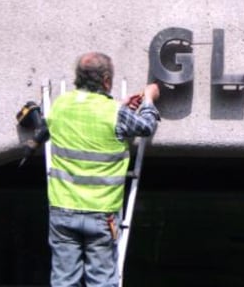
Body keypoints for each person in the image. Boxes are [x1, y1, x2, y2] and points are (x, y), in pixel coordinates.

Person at [45, 52, 160, 287]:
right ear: (106, 81)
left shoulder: (59, 105)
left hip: (62, 208)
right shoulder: (114, 113)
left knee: (64, 281)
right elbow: (146, 126)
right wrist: (149, 99)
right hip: (101, 212)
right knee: (101, 281)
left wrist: (120, 106)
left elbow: (83, 117)